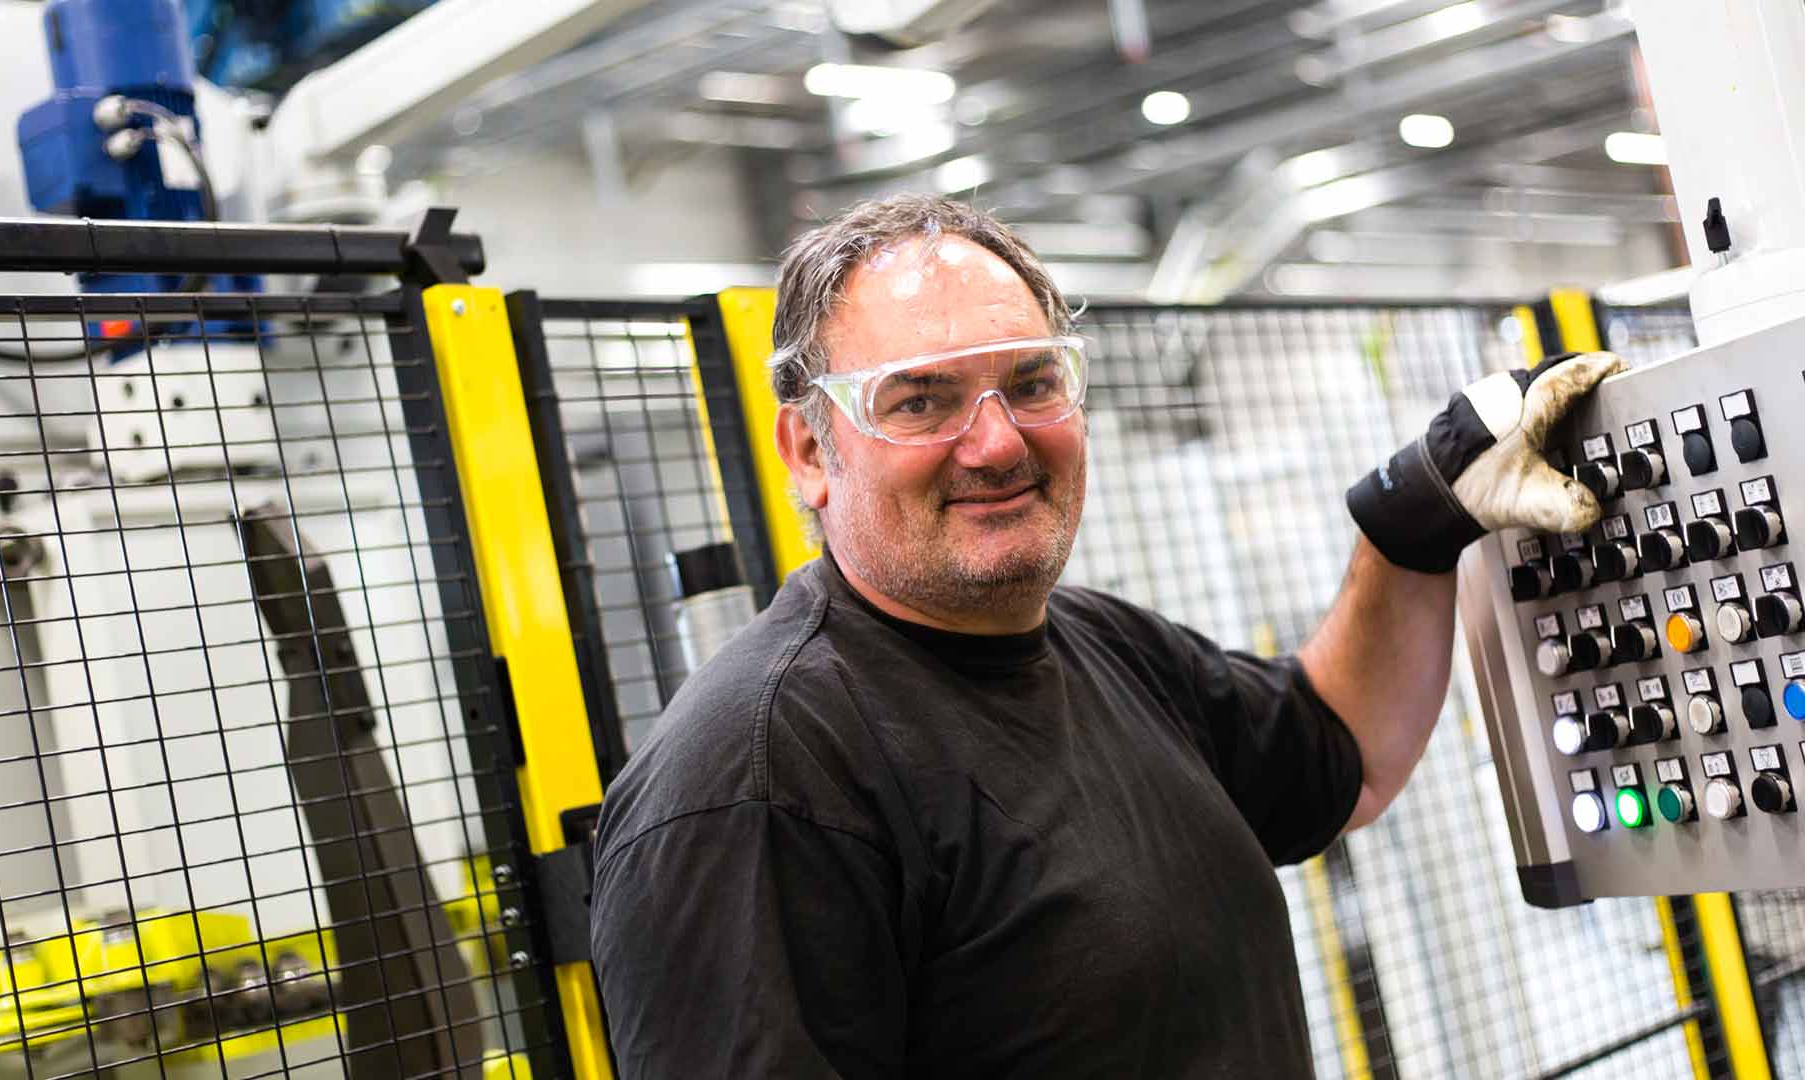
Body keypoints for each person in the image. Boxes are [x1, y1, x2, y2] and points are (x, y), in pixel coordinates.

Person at [588, 194, 1619, 1077]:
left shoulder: (1098, 644)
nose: (995, 442)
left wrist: (1411, 519)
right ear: (811, 450)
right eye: (921, 400)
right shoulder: (756, 785)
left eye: (1032, 384)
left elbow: (1335, 758)